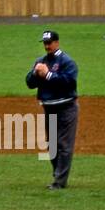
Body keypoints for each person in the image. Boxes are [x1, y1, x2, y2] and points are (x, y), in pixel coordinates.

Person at [25, 29, 78, 190]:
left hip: (66, 107)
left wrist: (48, 75)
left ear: (57, 43)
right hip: (49, 109)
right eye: (45, 43)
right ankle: (58, 175)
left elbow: (69, 83)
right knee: (52, 145)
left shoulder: (67, 61)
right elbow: (29, 83)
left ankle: (59, 182)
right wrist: (35, 73)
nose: (47, 46)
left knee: (64, 144)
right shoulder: (40, 61)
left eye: (50, 43)